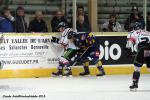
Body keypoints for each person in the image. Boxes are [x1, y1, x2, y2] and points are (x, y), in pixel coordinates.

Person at [126, 24, 150, 91]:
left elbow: (130, 41)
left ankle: (134, 84)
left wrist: (128, 50)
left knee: (137, 68)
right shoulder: (148, 32)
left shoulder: (133, 32)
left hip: (143, 49)